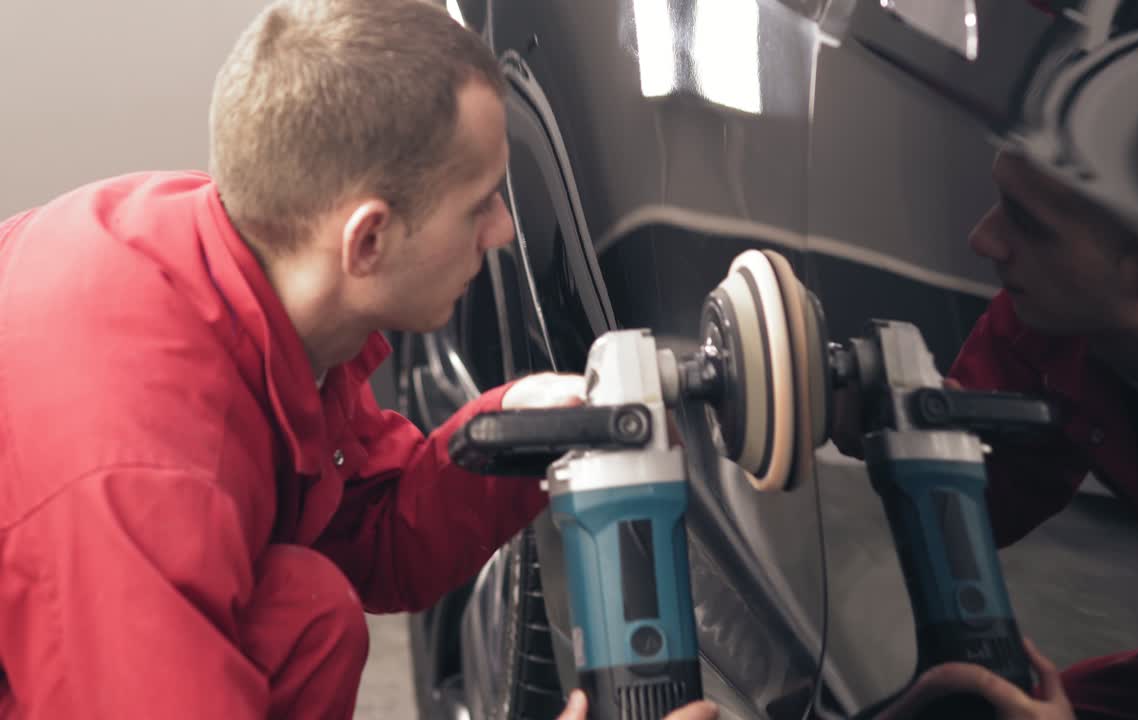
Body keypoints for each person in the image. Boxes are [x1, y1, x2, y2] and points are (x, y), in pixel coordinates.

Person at [0, 1, 653, 717]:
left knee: (305, 620)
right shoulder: (140, 473)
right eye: (478, 204)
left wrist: (514, 435)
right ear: (367, 240)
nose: (501, 231)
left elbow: (364, 537)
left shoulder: (244, 267)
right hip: (92, 580)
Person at [837, 148, 1138, 719]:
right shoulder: (1053, 322)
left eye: (1026, 223)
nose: (983, 239)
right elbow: (986, 505)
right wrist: (879, 427)